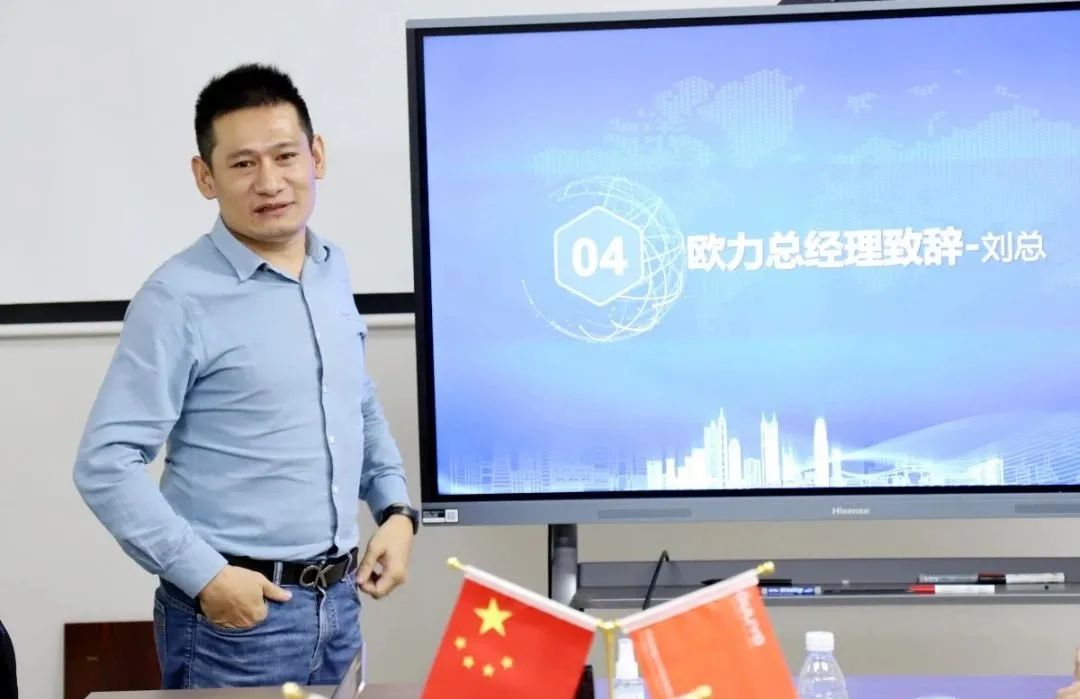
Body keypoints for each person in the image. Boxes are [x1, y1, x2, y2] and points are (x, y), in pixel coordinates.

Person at [72, 63, 419, 689]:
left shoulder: (330, 268)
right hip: (236, 621)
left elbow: (355, 401)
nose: (270, 182)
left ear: (316, 155)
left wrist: (395, 509)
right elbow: (105, 462)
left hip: (341, 606)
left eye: (285, 155)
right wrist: (205, 576)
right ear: (205, 177)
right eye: (242, 164)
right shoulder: (177, 298)